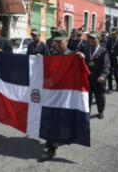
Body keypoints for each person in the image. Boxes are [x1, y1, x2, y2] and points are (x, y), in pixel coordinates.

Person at [42, 29, 85, 160]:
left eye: (60, 42)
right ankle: (51, 148)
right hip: (54, 93)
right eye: (55, 42)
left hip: (67, 94)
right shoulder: (53, 54)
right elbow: (47, 71)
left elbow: (82, 72)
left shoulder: (73, 55)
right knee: (52, 119)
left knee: (65, 119)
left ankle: (64, 137)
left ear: (66, 41)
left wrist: (82, 59)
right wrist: (40, 61)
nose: (57, 44)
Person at [84, 31, 110, 119]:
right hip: (88, 78)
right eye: (90, 38)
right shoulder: (86, 50)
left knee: (100, 96)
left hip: (99, 78)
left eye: (93, 38)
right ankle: (87, 111)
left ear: (98, 39)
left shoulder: (103, 51)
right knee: (87, 96)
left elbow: (106, 66)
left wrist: (103, 76)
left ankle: (101, 111)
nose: (91, 40)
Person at [106, 27, 118, 94]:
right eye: (112, 33)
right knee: (109, 74)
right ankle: (110, 88)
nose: (113, 35)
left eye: (114, 33)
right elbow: (107, 49)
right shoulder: (109, 40)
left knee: (116, 73)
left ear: (117, 33)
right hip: (110, 58)